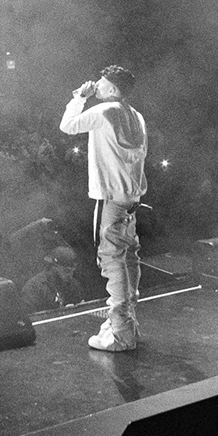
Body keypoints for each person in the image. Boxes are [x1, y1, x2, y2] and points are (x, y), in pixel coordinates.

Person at [60, 65, 148, 351]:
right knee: (129, 257)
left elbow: (67, 125)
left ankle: (121, 331)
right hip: (130, 198)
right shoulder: (136, 116)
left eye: (101, 81)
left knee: (112, 260)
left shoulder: (104, 111)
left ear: (112, 88)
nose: (96, 84)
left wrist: (79, 97)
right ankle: (128, 322)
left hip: (110, 199)